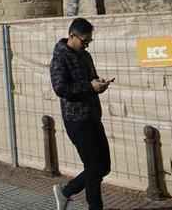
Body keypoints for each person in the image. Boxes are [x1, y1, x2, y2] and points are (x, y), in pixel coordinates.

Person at [49, 18, 111, 210]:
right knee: (94, 167)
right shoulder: (60, 58)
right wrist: (89, 86)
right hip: (76, 119)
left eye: (89, 42)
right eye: (84, 41)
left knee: (103, 167)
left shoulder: (85, 56)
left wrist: (98, 84)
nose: (86, 45)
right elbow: (60, 88)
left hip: (93, 115)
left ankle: (65, 192)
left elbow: (91, 80)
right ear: (72, 35)